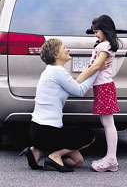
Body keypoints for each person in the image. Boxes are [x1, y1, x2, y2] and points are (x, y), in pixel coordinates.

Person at [19, 38, 108, 172]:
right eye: (64, 47)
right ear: (55, 54)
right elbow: (80, 90)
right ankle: (55, 156)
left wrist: (94, 67)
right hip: (47, 131)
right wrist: (97, 70)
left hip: (38, 131)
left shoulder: (52, 71)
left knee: (77, 161)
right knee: (89, 136)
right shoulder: (57, 72)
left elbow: (76, 83)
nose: (68, 49)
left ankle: (35, 152)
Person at [78, 15, 120, 172]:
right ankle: (111, 158)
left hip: (105, 87)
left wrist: (78, 80)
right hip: (102, 87)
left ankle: (111, 159)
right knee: (106, 123)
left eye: (97, 32)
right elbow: (97, 66)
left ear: (105, 30)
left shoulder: (106, 46)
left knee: (108, 123)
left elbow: (96, 66)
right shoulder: (103, 44)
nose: (95, 34)